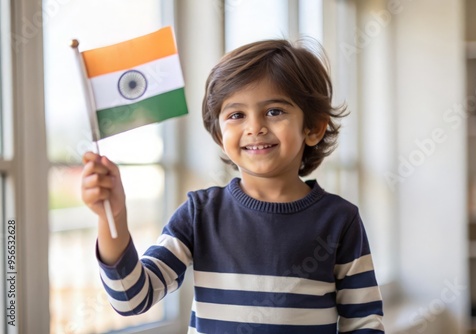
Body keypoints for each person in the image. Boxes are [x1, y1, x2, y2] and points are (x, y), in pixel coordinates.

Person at [81, 38, 384, 334]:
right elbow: (132, 299)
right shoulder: (199, 214)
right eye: (236, 115)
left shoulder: (340, 220)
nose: (255, 127)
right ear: (219, 135)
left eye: (275, 111)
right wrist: (114, 218)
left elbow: (363, 322)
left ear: (313, 128)